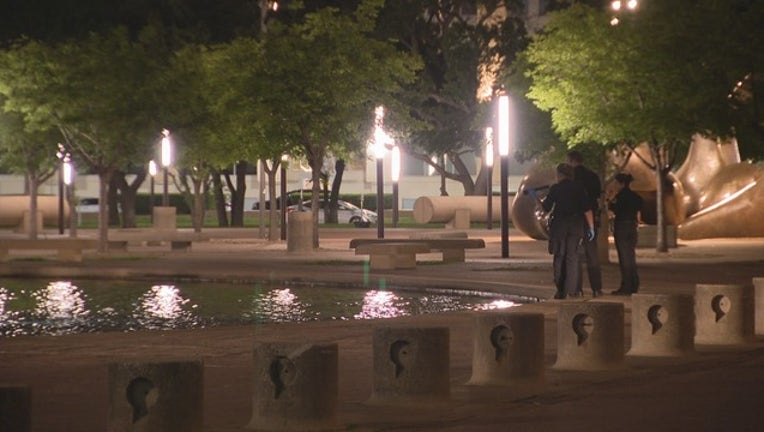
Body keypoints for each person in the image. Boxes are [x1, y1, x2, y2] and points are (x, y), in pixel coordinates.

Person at [532, 163, 595, 300]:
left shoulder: (556, 189)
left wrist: (536, 198)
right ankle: (571, 290)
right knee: (572, 257)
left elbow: (546, 208)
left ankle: (560, 290)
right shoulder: (579, 188)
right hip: (576, 226)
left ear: (560, 174)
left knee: (559, 256)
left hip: (560, 226)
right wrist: (591, 227)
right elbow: (587, 209)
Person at [566, 150, 603, 297]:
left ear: (571, 161)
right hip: (591, 218)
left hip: (575, 219)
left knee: (576, 255)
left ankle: (577, 288)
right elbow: (597, 197)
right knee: (592, 254)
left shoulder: (571, 178)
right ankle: (597, 288)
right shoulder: (593, 176)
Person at [608, 173, 643, 295]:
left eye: (617, 183)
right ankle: (634, 283)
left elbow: (614, 208)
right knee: (630, 256)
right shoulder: (635, 196)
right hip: (632, 226)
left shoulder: (621, 196)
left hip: (622, 226)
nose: (615, 185)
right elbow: (640, 204)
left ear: (622, 184)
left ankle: (626, 286)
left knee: (624, 258)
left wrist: (610, 200)